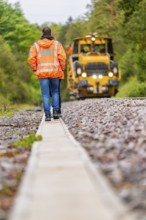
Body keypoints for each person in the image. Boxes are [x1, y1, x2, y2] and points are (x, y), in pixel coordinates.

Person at [28, 27, 66, 121]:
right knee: (55, 92)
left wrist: (35, 68)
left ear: (42, 33)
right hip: (55, 72)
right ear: (50, 33)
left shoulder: (36, 45)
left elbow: (31, 59)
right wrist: (62, 68)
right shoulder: (57, 44)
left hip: (42, 73)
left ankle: (48, 115)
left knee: (45, 94)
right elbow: (62, 58)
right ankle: (56, 112)